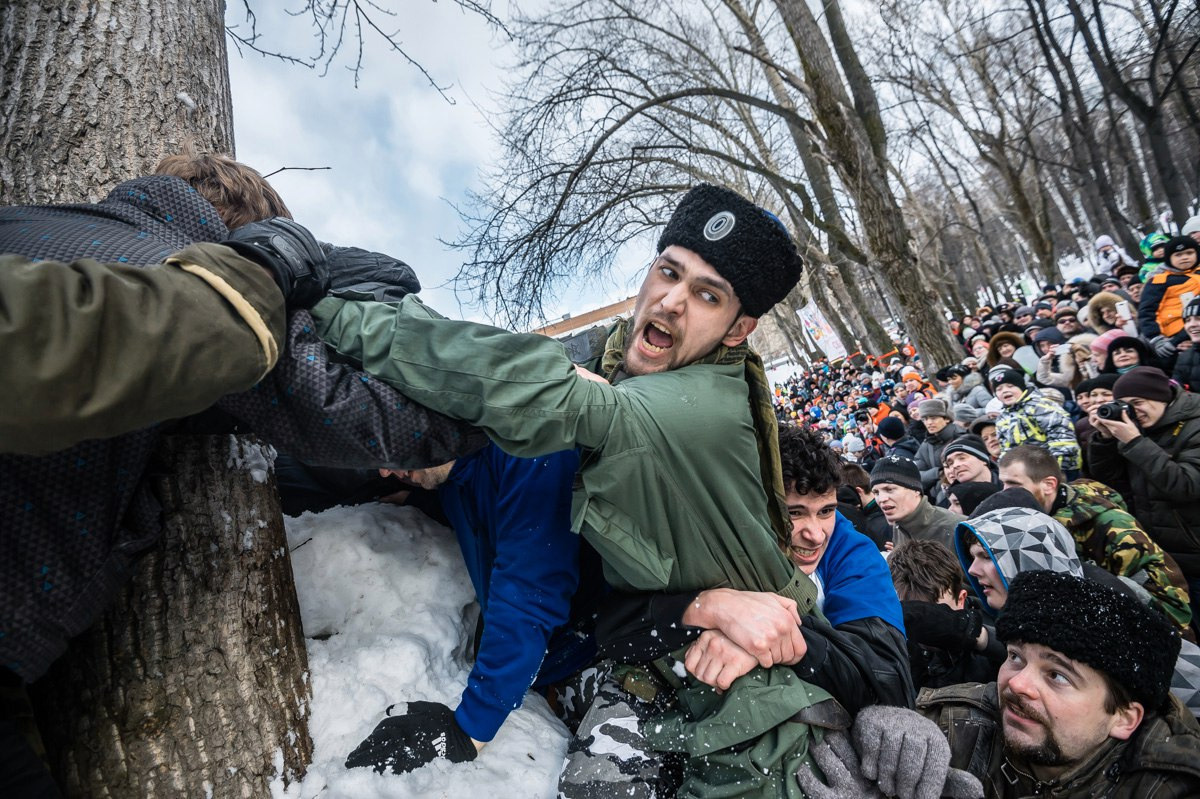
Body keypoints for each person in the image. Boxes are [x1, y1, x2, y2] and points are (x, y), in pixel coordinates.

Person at [308, 183, 834, 798]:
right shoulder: (621, 371)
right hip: (664, 652)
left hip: (720, 697)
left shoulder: (680, 407)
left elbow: (526, 393)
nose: (669, 301)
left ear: (738, 329)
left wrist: (319, 309)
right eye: (668, 272)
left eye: (705, 295)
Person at [343, 444, 606, 773]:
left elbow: (530, 596)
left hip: (597, 647)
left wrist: (468, 731)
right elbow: (481, 507)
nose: (384, 471)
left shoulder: (531, 451)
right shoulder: (452, 471)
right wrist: (418, 500)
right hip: (538, 658)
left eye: (390, 447)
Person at [913, 571, 1197, 797]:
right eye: (1015, 657)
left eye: (1057, 675)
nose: (1019, 683)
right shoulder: (949, 723)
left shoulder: (1170, 785)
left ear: (1124, 718)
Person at [996, 444, 1193, 634]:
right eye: (1002, 482)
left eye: (1014, 484)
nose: (1005, 491)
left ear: (1049, 485)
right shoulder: (1032, 520)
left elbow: (1172, 608)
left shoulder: (1113, 526)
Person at [1090, 366, 1200, 600]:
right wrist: (1105, 441)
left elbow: (1186, 485)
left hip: (1195, 552)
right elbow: (1111, 484)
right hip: (1162, 556)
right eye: (1124, 405)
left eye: (1137, 402)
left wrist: (1135, 441)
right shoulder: (1139, 430)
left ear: (1161, 397)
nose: (1132, 411)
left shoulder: (1195, 425)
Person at [888, 539, 1004, 691]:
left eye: (932, 612)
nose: (922, 623)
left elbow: (1015, 653)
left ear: (960, 599)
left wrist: (969, 632)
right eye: (912, 613)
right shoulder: (896, 645)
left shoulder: (989, 640)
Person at [989, 367, 1081, 477]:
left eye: (1010, 386)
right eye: (999, 389)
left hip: (1057, 469)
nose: (1004, 390)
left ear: (1022, 387)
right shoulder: (1002, 418)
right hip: (1027, 473)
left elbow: (1062, 437)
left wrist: (1058, 468)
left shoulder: (1041, 406)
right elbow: (1006, 449)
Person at [871, 456, 964, 551]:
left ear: (916, 490)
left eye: (889, 489)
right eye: (876, 492)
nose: (881, 499)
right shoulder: (899, 525)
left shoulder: (955, 528)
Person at [1138, 236, 1200, 361]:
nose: (1184, 257)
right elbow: (1146, 312)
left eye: (1189, 253)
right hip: (1175, 338)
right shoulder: (1159, 280)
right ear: (1168, 258)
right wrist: (1157, 339)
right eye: (1178, 255)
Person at [914, 398, 967, 492]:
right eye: (925, 419)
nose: (929, 423)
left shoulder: (962, 437)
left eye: (933, 418)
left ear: (946, 419)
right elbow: (916, 474)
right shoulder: (925, 445)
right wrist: (937, 473)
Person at [1171, 297, 1200, 391]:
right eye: (1187, 320)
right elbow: (1178, 393)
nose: (1192, 324)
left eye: (1198, 318)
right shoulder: (1184, 357)